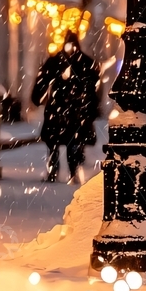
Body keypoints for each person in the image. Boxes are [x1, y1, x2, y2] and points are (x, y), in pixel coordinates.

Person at [31, 30, 100, 183]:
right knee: (70, 143)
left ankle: (58, 171)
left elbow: (43, 80)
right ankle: (70, 171)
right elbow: (93, 89)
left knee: (58, 143)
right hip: (72, 110)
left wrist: (36, 97)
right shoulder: (84, 63)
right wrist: (92, 108)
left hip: (61, 108)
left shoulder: (57, 61)